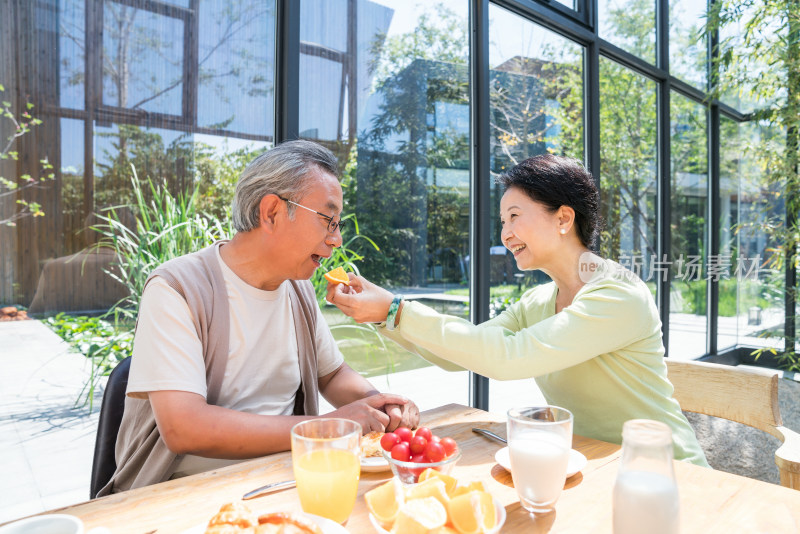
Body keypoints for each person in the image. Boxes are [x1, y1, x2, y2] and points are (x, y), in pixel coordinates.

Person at [327, 154, 708, 466]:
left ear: (563, 218)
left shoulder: (617, 294)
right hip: (597, 462)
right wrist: (385, 315)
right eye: (502, 221)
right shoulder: (538, 302)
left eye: (514, 216)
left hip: (669, 470)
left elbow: (508, 359)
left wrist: (397, 308)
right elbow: (465, 354)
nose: (505, 234)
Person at [98, 140, 419, 496]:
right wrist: (326, 426)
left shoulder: (298, 291)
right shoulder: (176, 288)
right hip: (180, 494)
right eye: (328, 221)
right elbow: (183, 427)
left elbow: (333, 374)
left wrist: (378, 404)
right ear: (271, 212)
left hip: (281, 479)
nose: (337, 240)